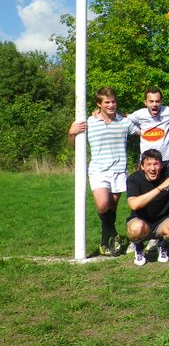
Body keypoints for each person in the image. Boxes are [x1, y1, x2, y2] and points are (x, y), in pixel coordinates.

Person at [68, 87, 140, 256]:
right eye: (107, 102)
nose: (111, 105)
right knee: (102, 205)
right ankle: (114, 234)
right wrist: (71, 133)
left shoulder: (124, 122)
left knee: (111, 209)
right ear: (98, 104)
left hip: (119, 170)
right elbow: (74, 144)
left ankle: (104, 243)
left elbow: (144, 133)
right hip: (98, 170)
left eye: (113, 101)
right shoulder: (89, 122)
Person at [126, 149, 169, 266]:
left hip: (163, 221)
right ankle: (139, 248)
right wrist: (161, 187)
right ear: (142, 166)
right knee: (135, 229)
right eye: (148, 164)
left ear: (161, 165)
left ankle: (162, 246)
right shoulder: (134, 178)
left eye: (156, 164)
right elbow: (134, 204)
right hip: (141, 221)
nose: (152, 168)